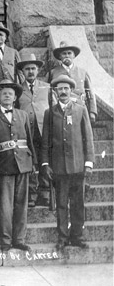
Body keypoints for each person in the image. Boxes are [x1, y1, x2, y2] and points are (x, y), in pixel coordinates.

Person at [40, 75, 95, 250]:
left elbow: (88, 138)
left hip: (78, 166)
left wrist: (89, 163)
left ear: (71, 90)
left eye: (66, 89)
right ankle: (62, 237)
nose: (63, 92)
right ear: (55, 92)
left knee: (78, 204)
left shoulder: (80, 110)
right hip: (59, 168)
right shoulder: (50, 113)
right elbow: (46, 142)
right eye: (59, 89)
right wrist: (45, 164)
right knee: (61, 204)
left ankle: (77, 236)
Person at [0, 80, 36, 253]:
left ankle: (19, 239)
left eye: (10, 93)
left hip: (23, 163)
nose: (7, 95)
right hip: (2, 165)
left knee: (21, 204)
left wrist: (32, 162)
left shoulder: (23, 115)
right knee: (5, 205)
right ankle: (5, 240)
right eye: (4, 93)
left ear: (15, 98)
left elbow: (29, 138)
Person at [17, 53, 51, 207]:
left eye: (33, 68)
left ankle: (45, 193)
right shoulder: (17, 90)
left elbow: (54, 107)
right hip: (26, 131)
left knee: (45, 160)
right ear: (22, 72)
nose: (30, 71)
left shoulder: (47, 87)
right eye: (27, 69)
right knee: (29, 162)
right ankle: (31, 194)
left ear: (38, 71)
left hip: (44, 130)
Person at [49, 41, 97, 123]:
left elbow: (90, 92)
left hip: (80, 109)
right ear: (60, 56)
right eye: (64, 53)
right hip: (60, 111)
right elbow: (49, 93)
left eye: (69, 53)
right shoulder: (53, 73)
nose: (67, 56)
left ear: (74, 55)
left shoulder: (82, 72)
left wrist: (92, 111)